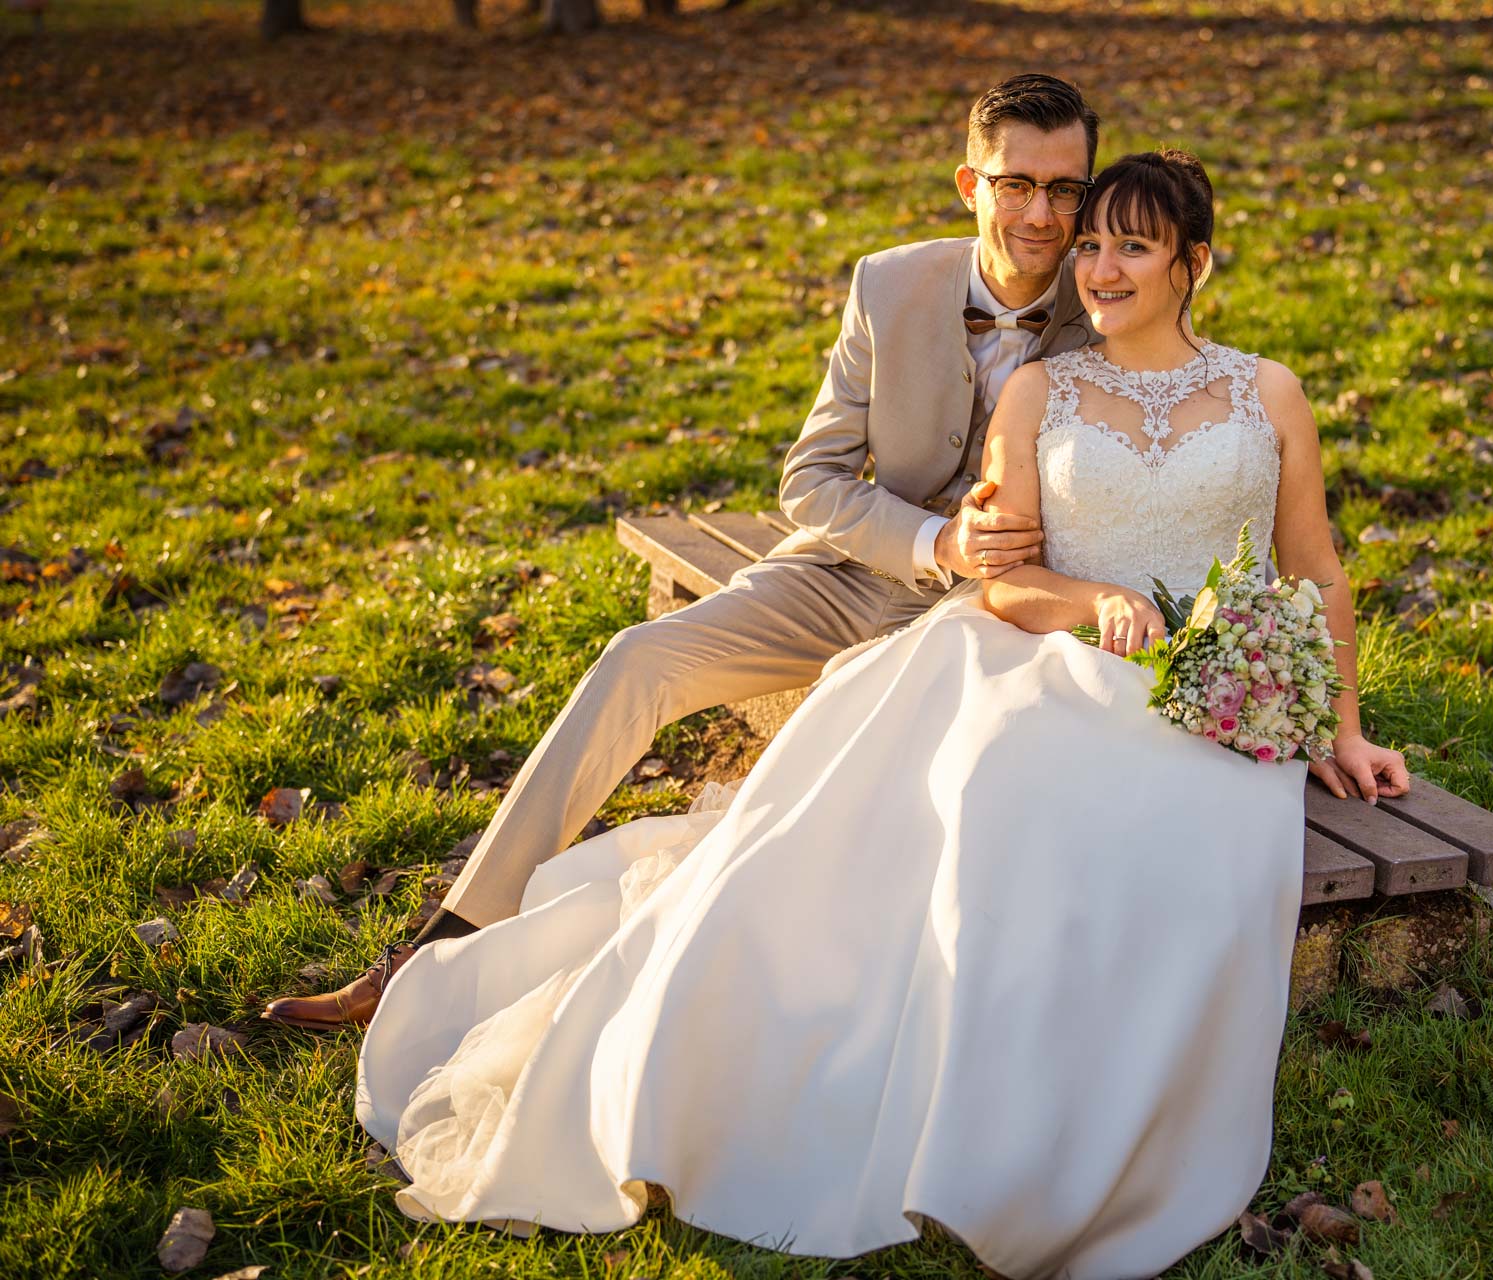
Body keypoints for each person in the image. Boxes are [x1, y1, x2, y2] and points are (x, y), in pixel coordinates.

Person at [354, 148, 1410, 1279]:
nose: (1098, 266)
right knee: (992, 799)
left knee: (1147, 844)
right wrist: (1095, 600)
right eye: (1091, 242)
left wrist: (1339, 726)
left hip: (1216, 697)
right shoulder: (1042, 389)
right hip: (1047, 656)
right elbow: (1005, 579)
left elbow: (1320, 574)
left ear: (1194, 262)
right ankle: (921, 1106)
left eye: (1131, 246)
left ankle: (1061, 1134)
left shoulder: (1270, 391)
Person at [260, 72, 1107, 1031]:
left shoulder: (1112, 304)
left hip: (978, 619)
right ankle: (439, 949)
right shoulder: (890, 281)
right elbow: (812, 478)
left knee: (833, 752)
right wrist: (930, 538)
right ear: (970, 185)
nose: (1043, 213)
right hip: (850, 568)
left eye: (1066, 189)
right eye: (1016, 184)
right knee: (637, 658)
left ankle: (693, 1000)